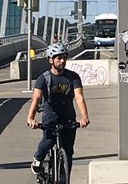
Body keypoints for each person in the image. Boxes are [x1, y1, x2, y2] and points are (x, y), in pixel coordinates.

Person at [27, 42, 90, 175]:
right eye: (58, 58)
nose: (62, 61)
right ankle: (38, 158)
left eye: (64, 57)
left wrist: (84, 117)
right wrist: (31, 118)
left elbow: (79, 97)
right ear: (51, 60)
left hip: (68, 116)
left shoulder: (73, 77)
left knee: (68, 152)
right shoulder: (43, 78)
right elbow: (36, 98)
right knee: (48, 140)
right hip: (50, 116)